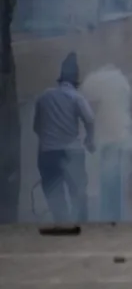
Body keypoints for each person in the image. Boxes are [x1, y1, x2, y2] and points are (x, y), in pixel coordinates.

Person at [33, 52, 95, 224]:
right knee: (78, 192)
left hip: (48, 153)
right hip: (71, 152)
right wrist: (90, 139)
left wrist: (49, 139)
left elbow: (36, 127)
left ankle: (62, 224)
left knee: (54, 193)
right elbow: (89, 118)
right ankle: (82, 226)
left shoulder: (44, 97)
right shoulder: (76, 97)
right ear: (76, 81)